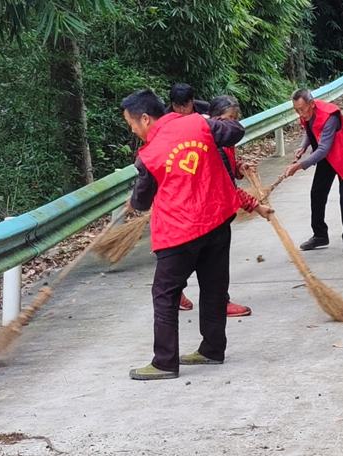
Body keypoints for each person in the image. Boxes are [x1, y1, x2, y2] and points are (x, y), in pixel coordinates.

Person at [121, 89, 271, 381]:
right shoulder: (199, 124)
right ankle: (212, 349)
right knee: (214, 287)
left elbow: (142, 200)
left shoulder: (149, 155)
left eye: (132, 123)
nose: (132, 129)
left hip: (180, 231)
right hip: (216, 220)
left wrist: (134, 201)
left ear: (145, 118)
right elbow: (235, 130)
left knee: (164, 294)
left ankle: (165, 362)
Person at [177, 95, 261, 317]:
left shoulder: (225, 141)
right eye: (228, 118)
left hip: (210, 211)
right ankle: (218, 303)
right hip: (204, 212)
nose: (233, 124)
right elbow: (226, 187)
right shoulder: (212, 145)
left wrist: (240, 166)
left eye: (236, 118)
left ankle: (181, 293)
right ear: (214, 119)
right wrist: (256, 206)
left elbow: (230, 173)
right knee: (207, 261)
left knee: (200, 260)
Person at [284, 89, 343, 257]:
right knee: (317, 193)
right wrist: (303, 146)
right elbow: (310, 129)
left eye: (302, 109)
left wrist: (299, 165)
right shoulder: (307, 112)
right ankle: (320, 235)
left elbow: (323, 149)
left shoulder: (330, 116)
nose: (300, 113)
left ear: (312, 104)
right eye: (296, 110)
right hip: (327, 158)